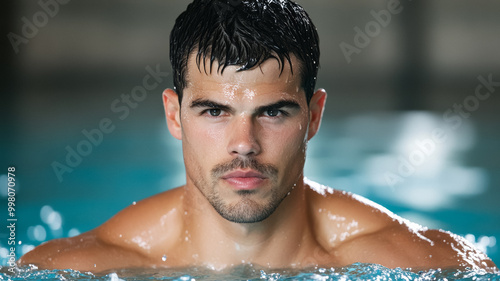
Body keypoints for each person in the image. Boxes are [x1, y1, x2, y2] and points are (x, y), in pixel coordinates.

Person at [19, 0, 497, 273]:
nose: (243, 142)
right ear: (173, 113)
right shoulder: (81, 268)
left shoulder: (424, 263)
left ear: (313, 116)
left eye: (272, 112)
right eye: (214, 111)